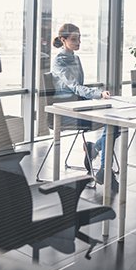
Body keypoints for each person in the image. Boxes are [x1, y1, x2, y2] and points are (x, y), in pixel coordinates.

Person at [52, 23, 119, 192]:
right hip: (66, 111)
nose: (78, 42)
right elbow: (75, 86)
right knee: (111, 124)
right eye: (74, 39)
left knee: (115, 122)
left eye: (79, 38)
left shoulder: (76, 58)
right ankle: (101, 163)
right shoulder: (59, 61)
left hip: (80, 105)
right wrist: (98, 94)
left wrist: (95, 96)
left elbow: (80, 87)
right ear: (63, 40)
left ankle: (97, 152)